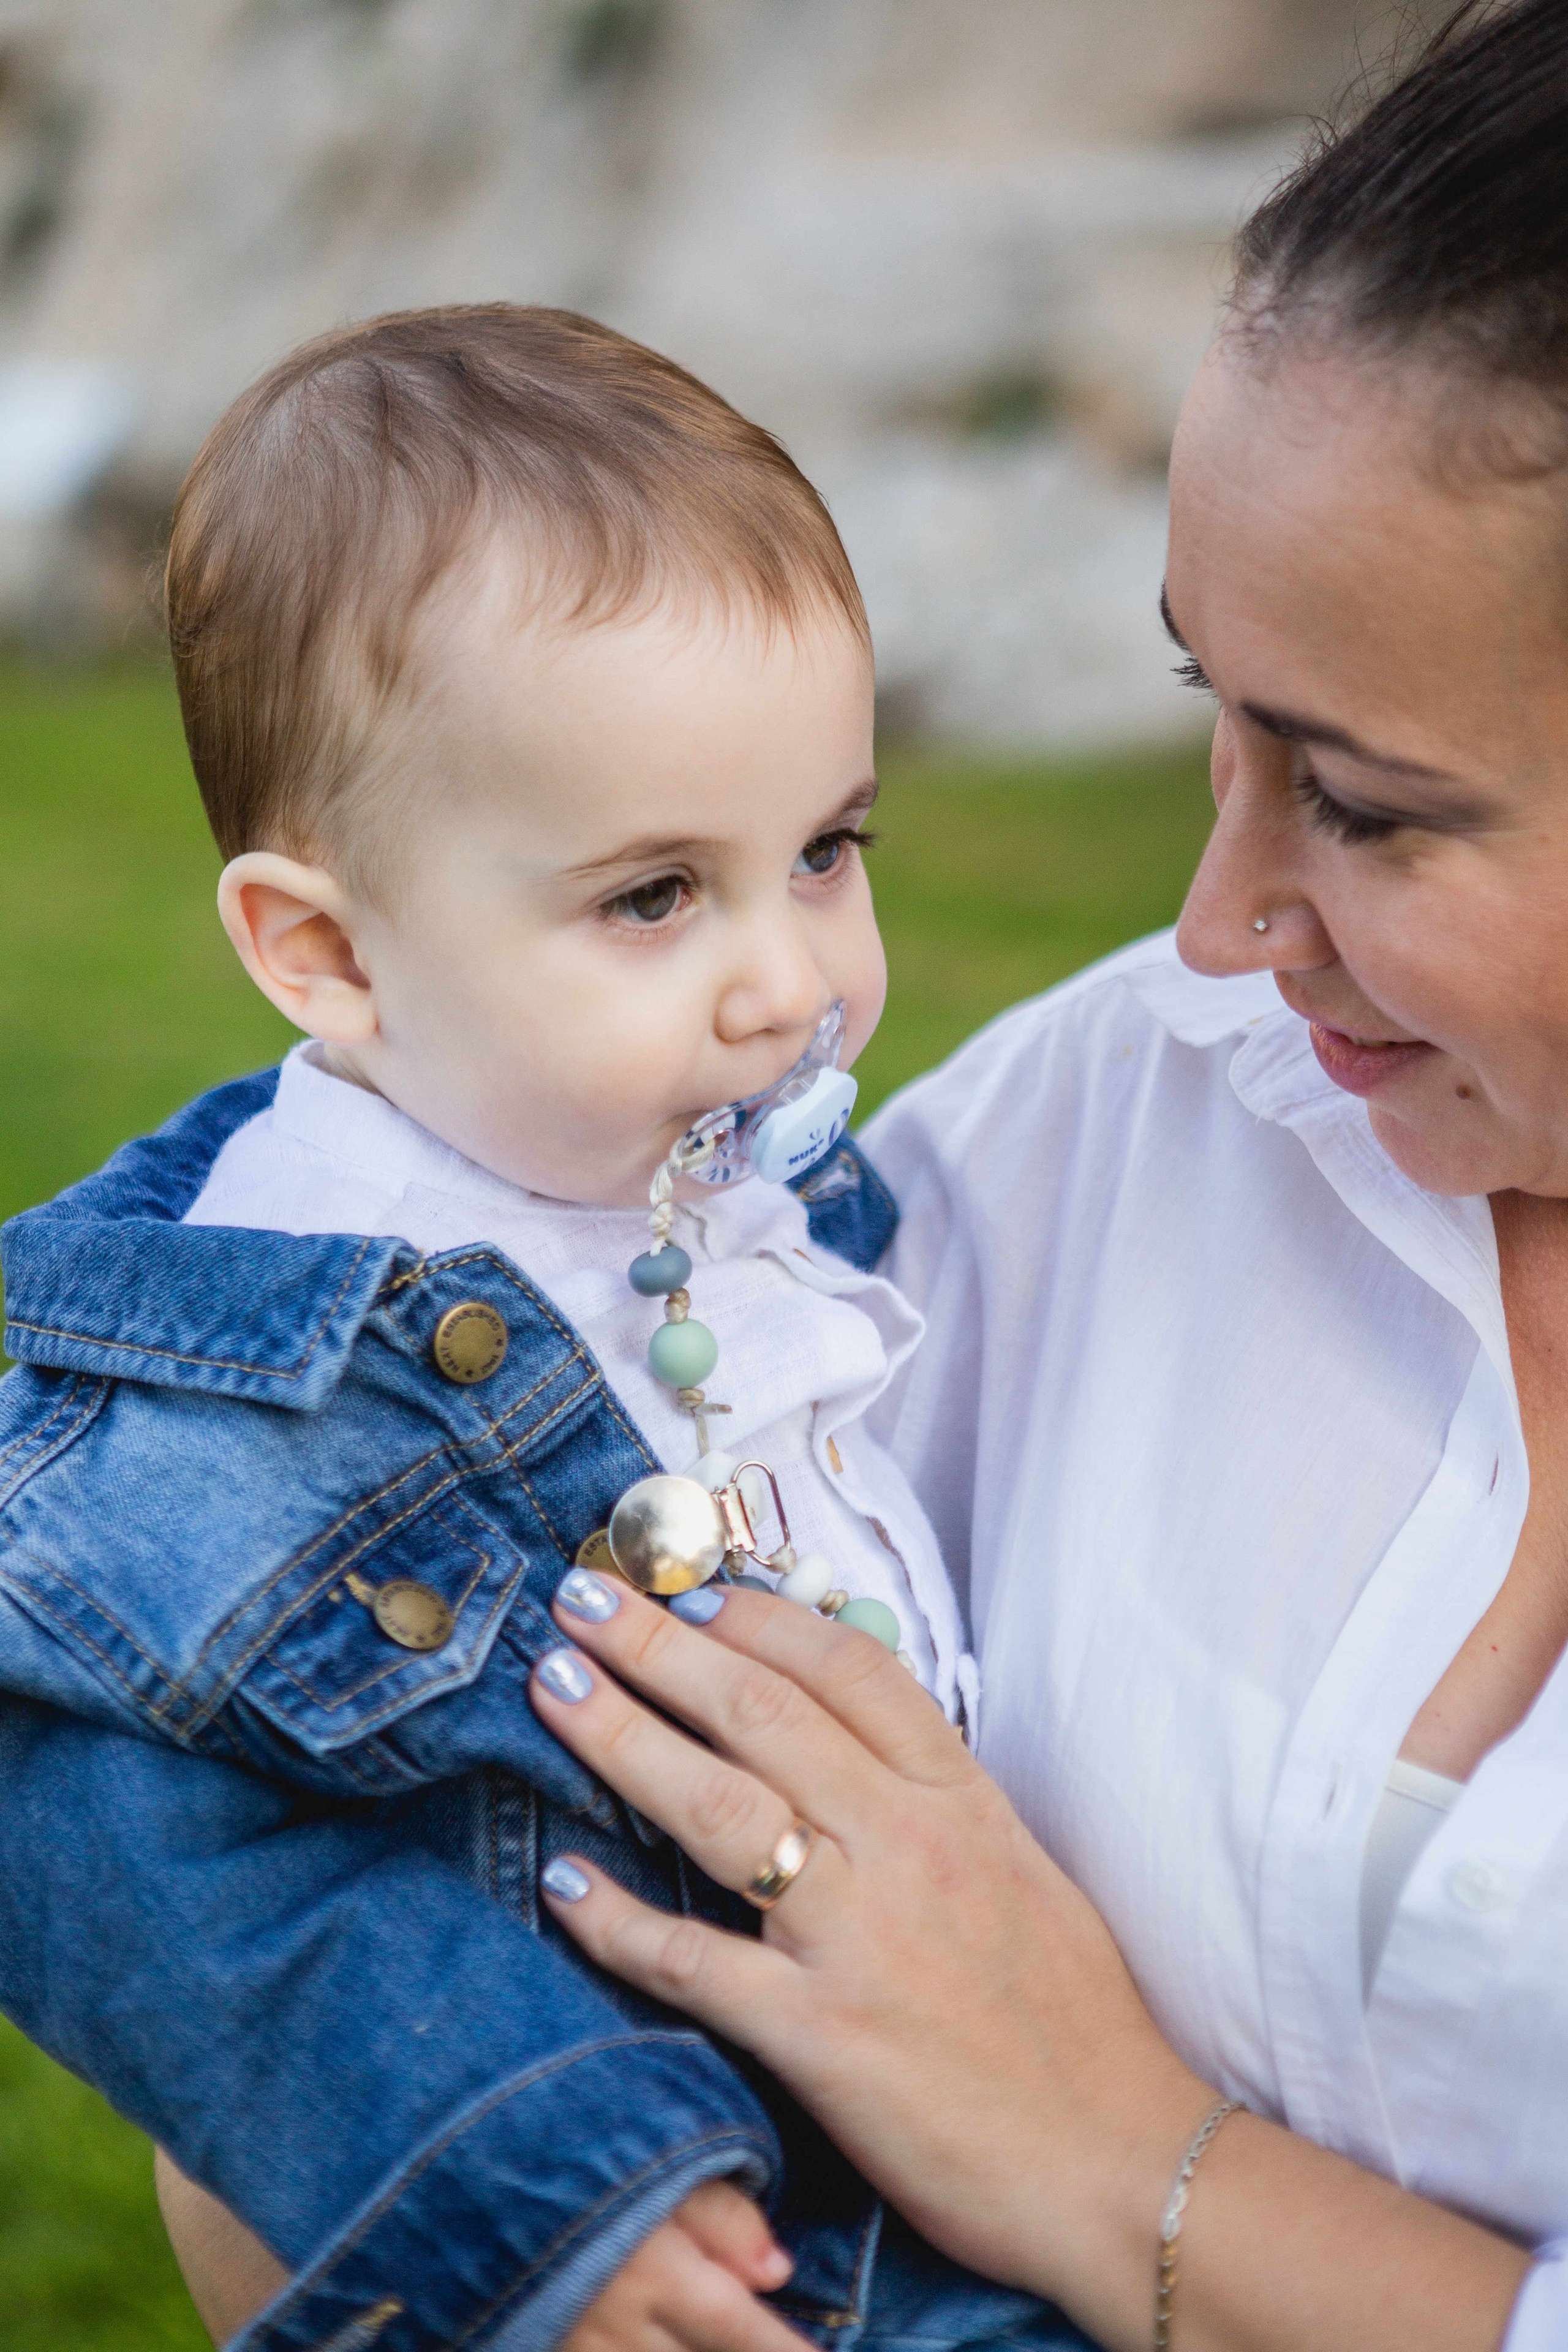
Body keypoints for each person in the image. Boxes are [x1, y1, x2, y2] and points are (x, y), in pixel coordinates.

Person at [509, 6, 1568, 2348]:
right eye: (1217, 712)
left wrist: (1122, 2164)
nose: (1215, 925)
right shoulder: (1142, 1097)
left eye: (1367, 803)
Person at [0, 304, 1068, 2352]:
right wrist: (521, 2174)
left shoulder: (734, 1190)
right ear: (326, 953)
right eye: (656, 896)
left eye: (826, 852)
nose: (789, 985)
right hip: (691, 2237)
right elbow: (122, 1852)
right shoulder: (271, 1387)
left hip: (956, 2148)